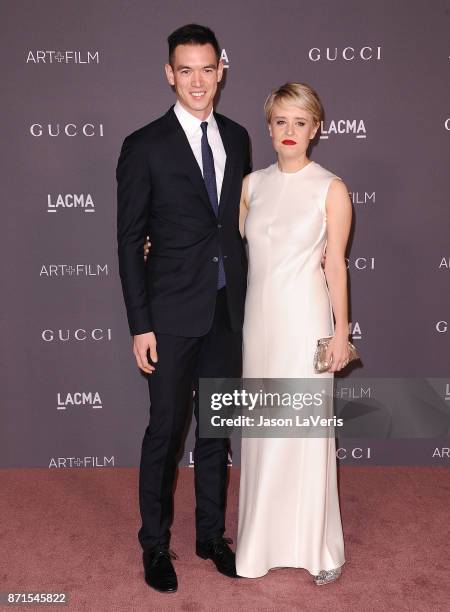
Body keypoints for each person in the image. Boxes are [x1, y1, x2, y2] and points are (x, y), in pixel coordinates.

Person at [116, 24, 251, 593]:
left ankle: (210, 537)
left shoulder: (241, 137)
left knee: (217, 430)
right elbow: (128, 241)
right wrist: (140, 325)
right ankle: (154, 546)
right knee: (165, 432)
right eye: (185, 70)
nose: (198, 81)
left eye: (207, 69)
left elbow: (240, 223)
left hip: (226, 308)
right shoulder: (143, 145)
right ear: (170, 74)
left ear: (222, 69)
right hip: (170, 314)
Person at [235, 83, 351, 584]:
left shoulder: (331, 188)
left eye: (300, 122)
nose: (290, 132)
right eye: (281, 121)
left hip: (305, 321)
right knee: (264, 434)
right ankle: (258, 544)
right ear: (269, 126)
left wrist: (340, 333)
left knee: (304, 436)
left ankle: (319, 548)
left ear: (316, 129)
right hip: (258, 326)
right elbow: (236, 248)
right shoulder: (251, 186)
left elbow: (337, 268)